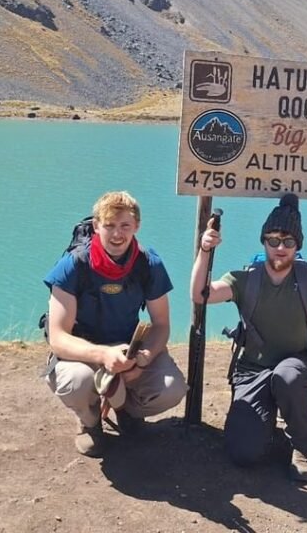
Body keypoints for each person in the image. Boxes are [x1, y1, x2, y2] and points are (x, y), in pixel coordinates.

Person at [191, 192, 307, 483]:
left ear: (297, 245)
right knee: (243, 454)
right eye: (273, 240)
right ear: (263, 241)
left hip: (295, 364)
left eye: (288, 242)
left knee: (286, 378)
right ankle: (266, 424)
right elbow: (200, 295)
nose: (280, 248)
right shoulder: (244, 278)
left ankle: (303, 446)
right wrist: (204, 250)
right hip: (252, 369)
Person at [44, 191, 186, 457]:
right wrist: (102, 355)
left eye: (125, 226)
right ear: (96, 226)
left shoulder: (149, 264)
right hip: (82, 353)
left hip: (129, 351)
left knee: (171, 389)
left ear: (137, 226)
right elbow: (58, 337)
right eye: (109, 225)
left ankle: (127, 411)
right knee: (77, 382)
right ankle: (90, 422)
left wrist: (143, 358)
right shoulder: (73, 265)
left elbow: (161, 324)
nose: (117, 234)